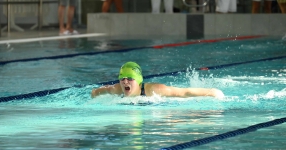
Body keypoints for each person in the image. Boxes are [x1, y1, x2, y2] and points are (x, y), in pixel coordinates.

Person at [91, 62, 225, 99]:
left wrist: (211, 92)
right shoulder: (116, 89)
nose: (125, 82)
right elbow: (95, 92)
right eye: (122, 79)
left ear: (138, 81)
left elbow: (183, 92)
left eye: (130, 79)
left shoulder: (154, 90)